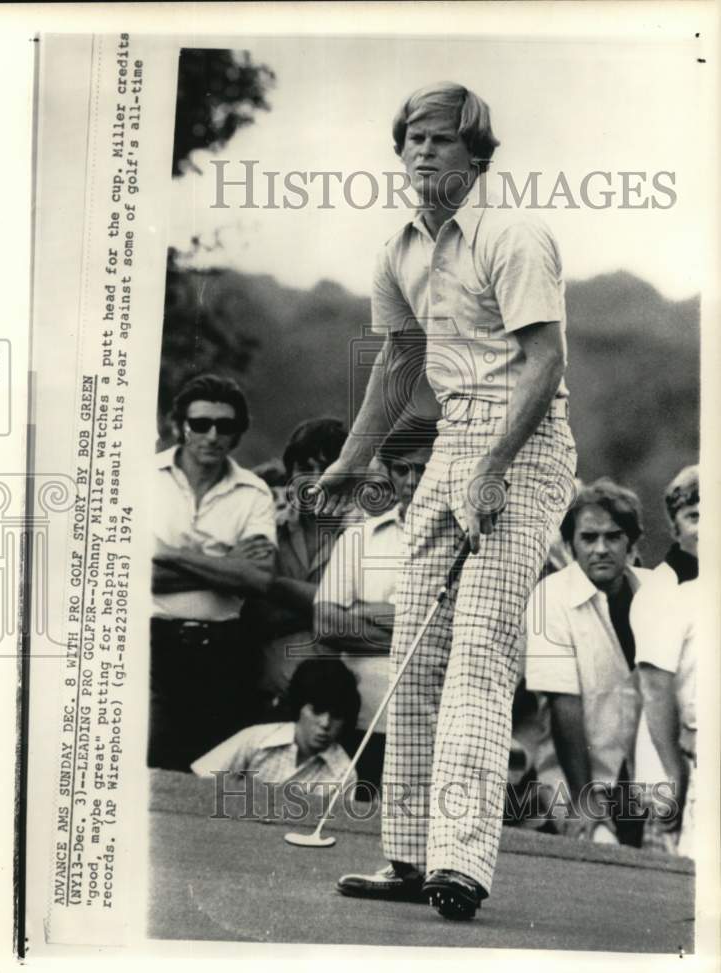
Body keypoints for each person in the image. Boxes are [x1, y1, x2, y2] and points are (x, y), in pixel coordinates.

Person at [323, 82, 577, 919]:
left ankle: (461, 864)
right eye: (411, 141)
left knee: (478, 648)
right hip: (450, 444)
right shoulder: (397, 249)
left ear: (477, 154)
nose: (422, 153)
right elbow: (398, 363)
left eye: (440, 140)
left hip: (527, 444)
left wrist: (497, 465)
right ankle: (406, 857)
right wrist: (352, 463)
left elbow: (544, 361)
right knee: (415, 653)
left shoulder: (514, 233)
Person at [150, 374, 277, 771]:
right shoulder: (140, 479)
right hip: (151, 645)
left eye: (225, 426)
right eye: (200, 424)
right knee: (149, 765)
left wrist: (167, 554)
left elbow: (257, 580)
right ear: (179, 427)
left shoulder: (254, 493)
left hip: (222, 654)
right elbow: (128, 575)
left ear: (238, 433)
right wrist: (226, 563)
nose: (212, 435)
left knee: (209, 773)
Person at [525, 479, 653, 845]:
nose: (601, 549)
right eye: (589, 538)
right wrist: (586, 805)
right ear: (570, 545)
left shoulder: (657, 592)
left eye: (613, 537)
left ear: (631, 544)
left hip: (647, 781)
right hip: (573, 779)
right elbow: (564, 707)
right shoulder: (550, 597)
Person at [315, 421, 437, 792]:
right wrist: (417, 631)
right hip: (361, 716)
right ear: (388, 472)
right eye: (403, 469)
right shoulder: (360, 538)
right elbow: (327, 625)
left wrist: (366, 611)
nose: (413, 482)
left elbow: (453, 634)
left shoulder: (469, 544)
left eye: (425, 469)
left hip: (432, 722)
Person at [242, 418, 349, 716]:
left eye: (327, 469)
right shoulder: (266, 530)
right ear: (289, 474)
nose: (315, 480)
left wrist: (275, 588)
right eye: (305, 469)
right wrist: (328, 610)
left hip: (336, 711)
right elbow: (253, 616)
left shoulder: (364, 536)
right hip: (267, 699)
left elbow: (358, 618)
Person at [630, 465, 699, 855]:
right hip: (673, 766)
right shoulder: (662, 589)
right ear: (674, 527)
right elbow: (655, 690)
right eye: (694, 517)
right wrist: (673, 779)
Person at [191, 658, 360, 801]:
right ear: (299, 706)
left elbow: (331, 829)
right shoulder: (256, 738)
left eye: (337, 715)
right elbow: (199, 787)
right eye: (317, 710)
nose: (325, 723)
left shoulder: (344, 773)